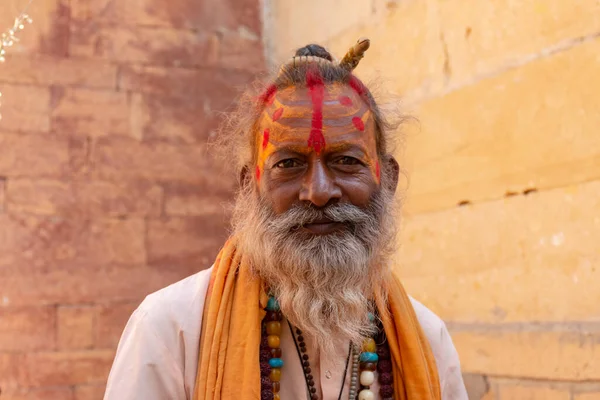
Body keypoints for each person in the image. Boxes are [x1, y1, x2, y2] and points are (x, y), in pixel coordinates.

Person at [104, 38, 468, 400]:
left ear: (385, 179)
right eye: (289, 164)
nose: (320, 192)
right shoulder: (172, 330)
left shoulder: (426, 337)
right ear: (250, 185)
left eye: (346, 161)